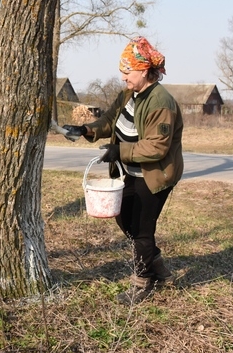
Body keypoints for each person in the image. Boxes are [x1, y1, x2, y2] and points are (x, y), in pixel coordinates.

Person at [63, 36, 184, 304]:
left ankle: (143, 283)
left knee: (141, 229)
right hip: (129, 172)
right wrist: (86, 130)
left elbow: (157, 147)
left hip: (154, 176)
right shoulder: (130, 94)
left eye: (126, 71)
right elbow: (109, 120)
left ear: (143, 70)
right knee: (124, 219)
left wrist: (120, 151)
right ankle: (158, 266)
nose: (122, 77)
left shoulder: (161, 102)